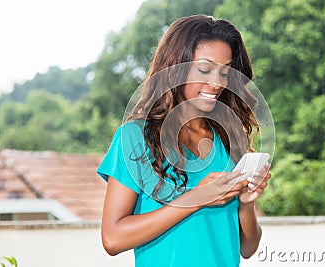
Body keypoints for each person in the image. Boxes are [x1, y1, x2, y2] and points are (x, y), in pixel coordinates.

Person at [97, 15, 272, 267]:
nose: (217, 83)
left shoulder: (229, 139)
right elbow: (113, 239)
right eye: (204, 69)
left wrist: (246, 203)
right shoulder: (134, 138)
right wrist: (196, 197)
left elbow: (247, 248)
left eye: (225, 71)